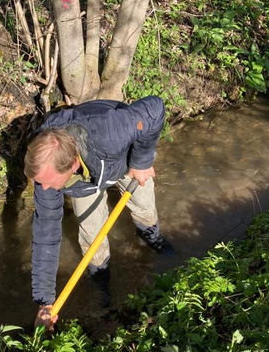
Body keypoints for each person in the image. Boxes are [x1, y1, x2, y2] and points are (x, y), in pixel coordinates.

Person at [23, 96, 174, 331]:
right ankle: (102, 281)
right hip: (84, 184)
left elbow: (155, 108)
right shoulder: (46, 179)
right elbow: (46, 237)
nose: (43, 190)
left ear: (72, 165)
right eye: (39, 183)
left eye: (48, 183)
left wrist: (142, 161)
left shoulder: (110, 131)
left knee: (144, 207)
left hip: (123, 159)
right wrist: (44, 301)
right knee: (92, 236)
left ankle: (153, 238)